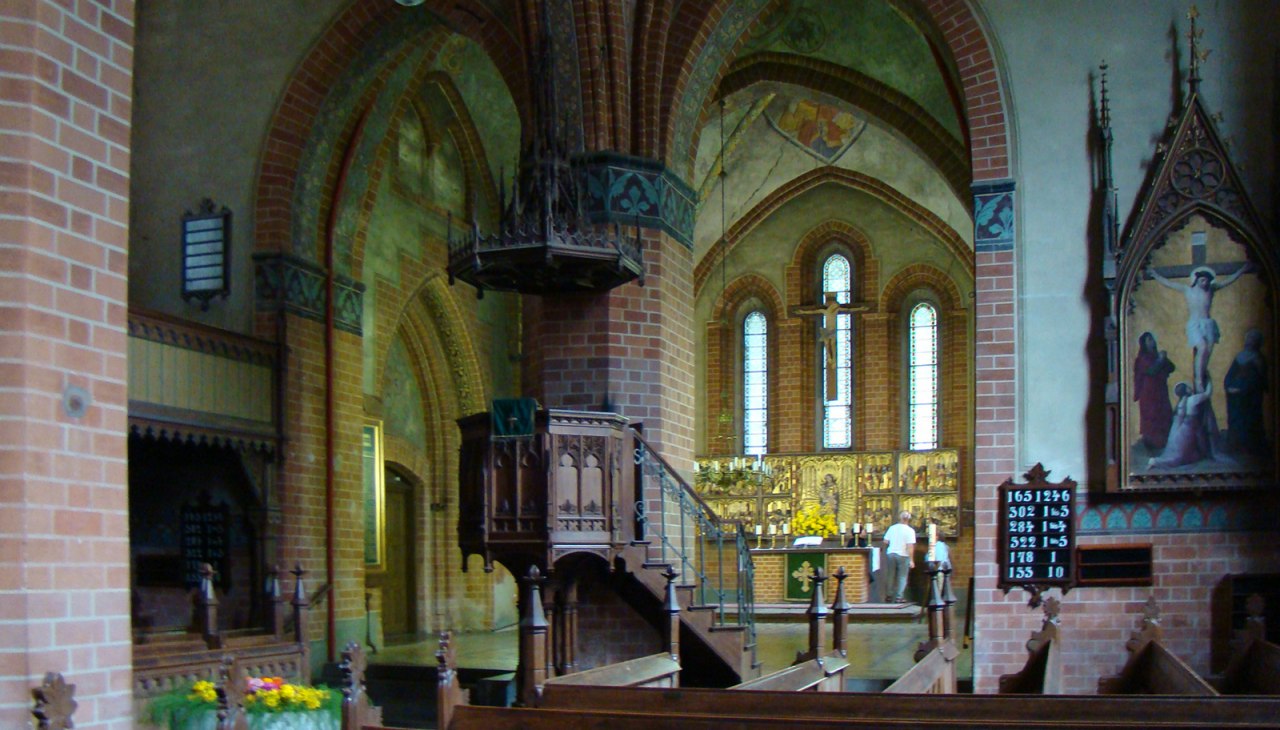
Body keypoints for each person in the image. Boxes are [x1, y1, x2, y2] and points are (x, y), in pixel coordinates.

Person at [1146, 263, 1250, 393]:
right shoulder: (1187, 290)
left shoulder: (1211, 289)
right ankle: (1199, 380)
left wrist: (1241, 270)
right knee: (1202, 347)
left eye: (1207, 281)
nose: (1205, 283)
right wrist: (1155, 275)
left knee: (1208, 351)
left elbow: (1228, 281)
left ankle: (1202, 373)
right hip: (1195, 324)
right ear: (1196, 280)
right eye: (1202, 280)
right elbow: (1169, 284)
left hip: (1208, 324)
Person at [1148, 381, 1215, 469]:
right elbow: (1207, 393)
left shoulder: (1180, 403)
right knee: (1180, 456)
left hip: (1184, 427)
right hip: (1189, 428)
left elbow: (1179, 418)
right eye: (1188, 387)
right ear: (1186, 390)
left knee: (1185, 451)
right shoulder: (1193, 399)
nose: (1190, 388)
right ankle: (1155, 462)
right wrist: (1209, 380)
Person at [1224, 328, 1268, 457]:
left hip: (1250, 398)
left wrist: (1242, 389)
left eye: (1252, 339)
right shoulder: (1239, 356)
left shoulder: (1259, 359)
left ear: (1257, 342)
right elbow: (1230, 375)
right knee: (1235, 420)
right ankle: (1235, 447)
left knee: (1250, 421)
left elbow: (1258, 380)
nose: (1249, 341)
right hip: (1235, 397)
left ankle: (1250, 448)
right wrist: (1229, 387)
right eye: (1248, 338)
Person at [1133, 331, 1176, 451]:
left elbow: (1172, 368)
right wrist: (1160, 360)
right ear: (1144, 344)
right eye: (1149, 340)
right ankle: (1152, 446)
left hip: (1160, 391)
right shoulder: (1142, 358)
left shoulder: (1157, 356)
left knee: (1164, 414)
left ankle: (1164, 443)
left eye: (1153, 339)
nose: (1152, 342)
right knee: (1151, 417)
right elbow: (1151, 371)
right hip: (1148, 393)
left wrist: (1163, 359)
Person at [882, 510, 916, 603]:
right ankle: (899, 597)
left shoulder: (892, 528)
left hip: (891, 553)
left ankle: (888, 595)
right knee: (902, 576)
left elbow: (885, 541)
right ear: (909, 519)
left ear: (900, 518)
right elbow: (910, 547)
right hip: (903, 555)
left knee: (890, 575)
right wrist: (911, 560)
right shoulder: (910, 531)